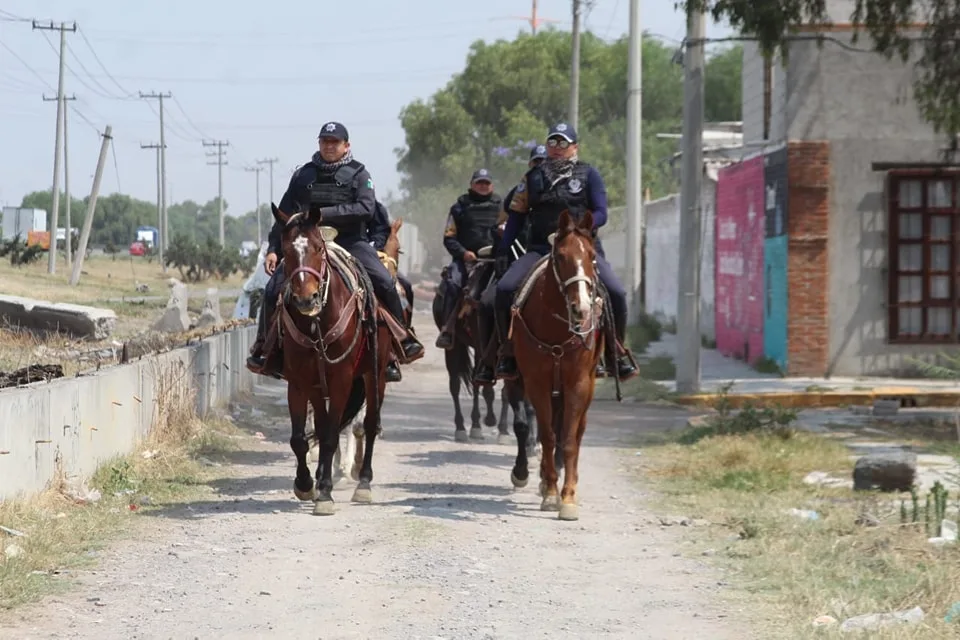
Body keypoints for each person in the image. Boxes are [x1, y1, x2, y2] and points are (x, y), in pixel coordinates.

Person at [246, 121, 424, 382]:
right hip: (307, 244)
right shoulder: (302, 176)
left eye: (335, 142)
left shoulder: (360, 174)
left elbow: (366, 208)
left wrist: (320, 215)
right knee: (273, 289)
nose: (329, 146)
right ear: (319, 144)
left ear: (346, 146)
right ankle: (264, 348)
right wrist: (274, 249)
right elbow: (284, 217)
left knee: (385, 282)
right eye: (325, 141)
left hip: (351, 242)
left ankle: (400, 343)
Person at [486, 122, 638, 382]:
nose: (557, 148)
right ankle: (507, 353)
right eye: (552, 143)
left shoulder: (589, 175)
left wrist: (580, 229)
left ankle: (616, 352)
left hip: (580, 248)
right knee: (504, 289)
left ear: (574, 147)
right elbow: (517, 216)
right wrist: (503, 249)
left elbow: (601, 212)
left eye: (563, 143)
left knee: (616, 292)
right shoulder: (532, 178)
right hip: (540, 248)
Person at [473, 144, 546, 385]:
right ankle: (494, 357)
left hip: (562, 255)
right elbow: (503, 226)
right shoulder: (519, 192)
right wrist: (501, 236)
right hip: (520, 258)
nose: (541, 167)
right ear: (530, 165)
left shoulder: (572, 187)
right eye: (536, 162)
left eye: (544, 161)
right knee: (486, 302)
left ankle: (607, 354)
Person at [434, 169, 502, 350]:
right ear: (472, 185)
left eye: (486, 183)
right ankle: (447, 330)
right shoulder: (459, 207)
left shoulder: (501, 207)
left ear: (492, 186)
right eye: (479, 182)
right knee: (453, 282)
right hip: (466, 259)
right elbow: (449, 237)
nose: (483, 186)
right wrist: (464, 253)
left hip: (494, 259)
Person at [367, 199, 414, 320]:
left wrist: (372, 247)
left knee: (405, 285)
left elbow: (381, 233)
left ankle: (402, 328)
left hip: (371, 253)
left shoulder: (374, 208)